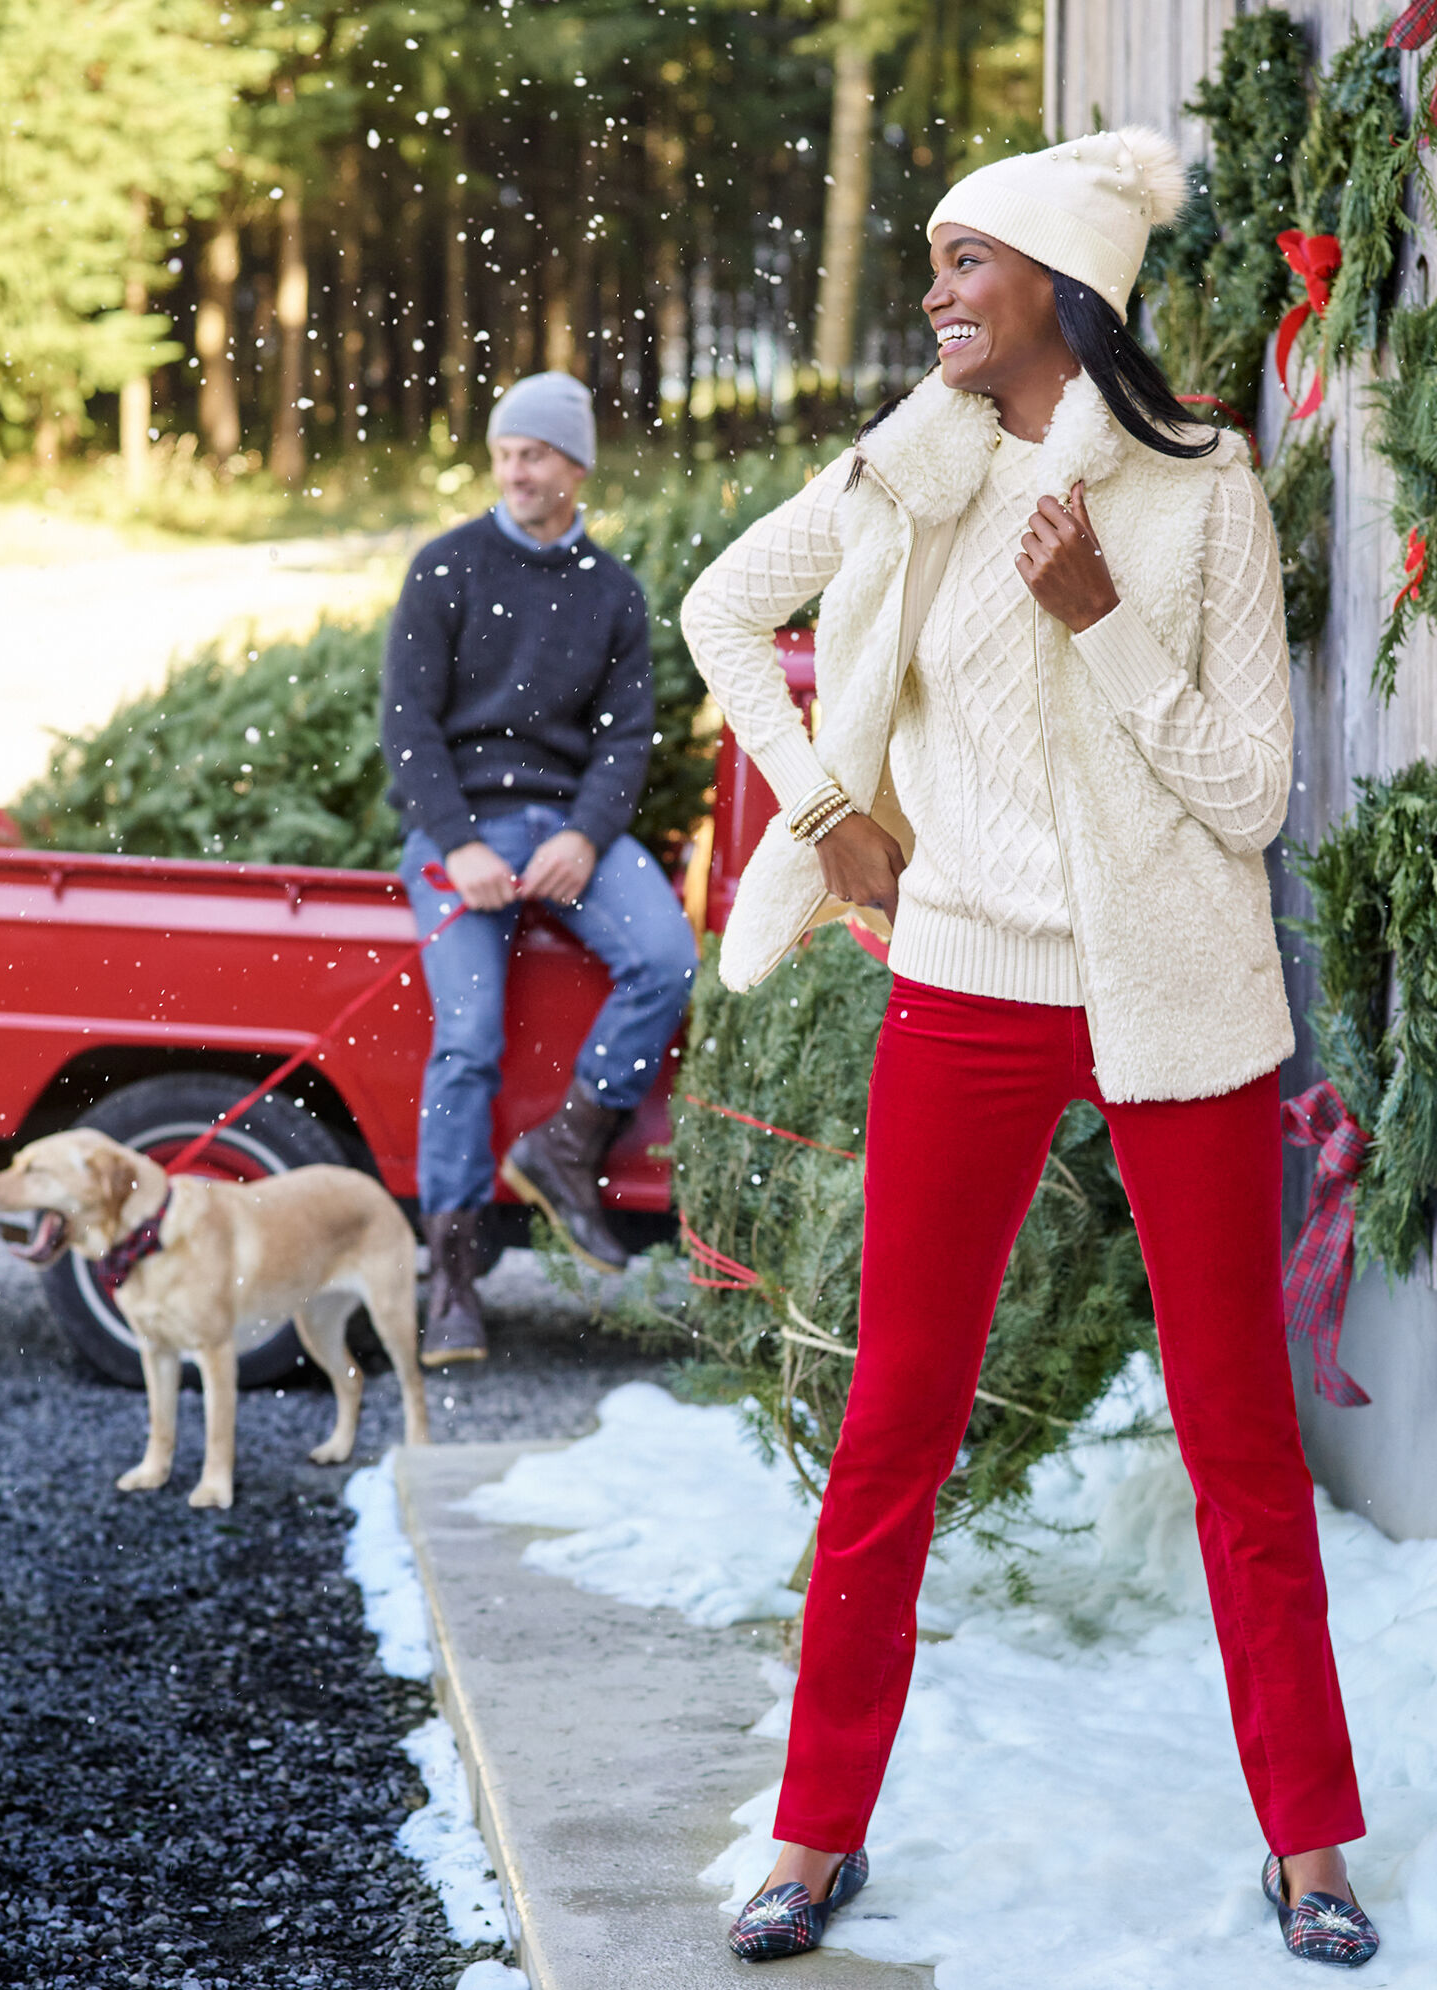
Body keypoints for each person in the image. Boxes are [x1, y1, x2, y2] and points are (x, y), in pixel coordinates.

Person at [681, 129, 1378, 1970]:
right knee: (890, 1425)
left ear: (1057, 285)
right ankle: (812, 1833)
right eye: (925, 262)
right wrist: (829, 798)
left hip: (1176, 1000)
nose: (932, 294)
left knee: (1236, 1434)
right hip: (964, 987)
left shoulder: (1197, 486)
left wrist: (1108, 627)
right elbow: (718, 609)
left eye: (962, 263)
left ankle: (1306, 1843)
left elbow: (1248, 796)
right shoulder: (903, 474)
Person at [382, 370, 697, 1365]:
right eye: (505, 454)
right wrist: (459, 842)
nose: (515, 471)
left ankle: (564, 1147)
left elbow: (625, 739)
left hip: (567, 826)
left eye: (534, 455)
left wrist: (586, 835)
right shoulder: (445, 567)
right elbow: (407, 728)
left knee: (668, 956)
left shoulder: (610, 591)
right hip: (459, 829)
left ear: (575, 467)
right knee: (466, 1043)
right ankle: (454, 1284)